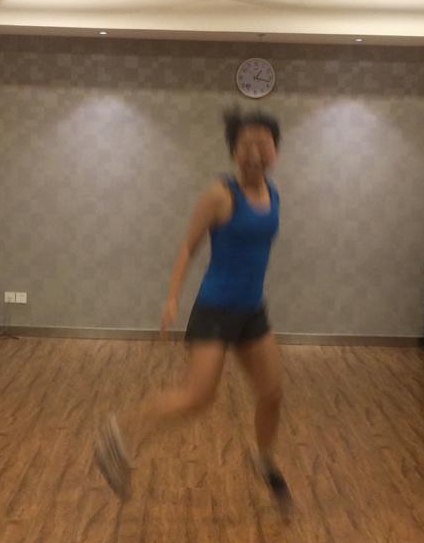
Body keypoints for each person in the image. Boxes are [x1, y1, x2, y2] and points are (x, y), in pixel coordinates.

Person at [94, 108, 289, 503]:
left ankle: (264, 458)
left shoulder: (274, 195)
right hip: (216, 309)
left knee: (272, 392)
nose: (254, 152)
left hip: (252, 310)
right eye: (245, 145)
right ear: (233, 152)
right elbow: (188, 245)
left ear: (275, 150)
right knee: (198, 397)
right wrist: (172, 298)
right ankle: (120, 430)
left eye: (263, 144)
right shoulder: (219, 195)